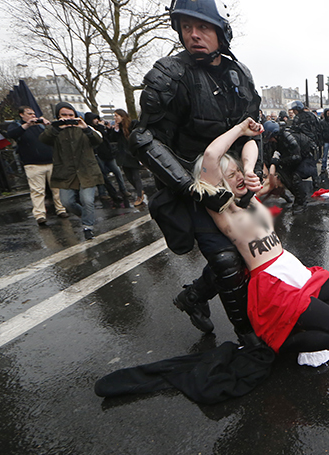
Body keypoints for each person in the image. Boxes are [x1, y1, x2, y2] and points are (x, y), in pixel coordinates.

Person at [129, 0, 262, 340]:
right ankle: (248, 339)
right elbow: (144, 138)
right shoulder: (169, 74)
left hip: (232, 184)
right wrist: (189, 186)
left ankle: (193, 297)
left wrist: (251, 170)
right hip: (189, 185)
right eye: (186, 27)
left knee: (247, 254)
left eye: (202, 27)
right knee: (226, 262)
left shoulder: (240, 74)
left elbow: (251, 129)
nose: (194, 35)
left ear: (220, 31)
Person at [192, 117, 329, 354]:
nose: (238, 178)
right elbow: (211, 156)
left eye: (237, 172)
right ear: (218, 183)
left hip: (291, 268)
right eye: (231, 175)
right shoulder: (225, 209)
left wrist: (246, 169)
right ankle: (279, 347)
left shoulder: (249, 195)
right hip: (272, 283)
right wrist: (239, 129)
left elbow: (252, 145)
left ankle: (295, 327)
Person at [40, 102, 104, 240]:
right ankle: (86, 215)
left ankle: (88, 227)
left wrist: (86, 128)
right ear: (58, 116)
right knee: (66, 202)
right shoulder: (55, 130)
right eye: (64, 115)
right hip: (66, 173)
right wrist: (57, 127)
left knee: (87, 200)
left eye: (71, 115)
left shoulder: (84, 128)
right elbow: (44, 139)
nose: (68, 118)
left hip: (87, 170)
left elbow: (98, 140)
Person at [6, 106, 68, 224]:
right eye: (29, 114)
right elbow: (11, 134)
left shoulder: (40, 126)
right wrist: (27, 124)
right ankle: (40, 215)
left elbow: (54, 136)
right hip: (33, 164)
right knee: (37, 191)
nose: (33, 116)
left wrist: (47, 125)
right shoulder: (17, 125)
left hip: (50, 161)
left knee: (57, 189)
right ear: (21, 115)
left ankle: (61, 209)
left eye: (34, 114)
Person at [261, 120, 316, 213]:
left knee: (295, 176)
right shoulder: (275, 140)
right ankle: (296, 197)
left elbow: (297, 157)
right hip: (296, 156)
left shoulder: (288, 137)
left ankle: (302, 202)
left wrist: (280, 161)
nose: (270, 140)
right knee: (284, 175)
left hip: (307, 156)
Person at [84, 112, 131, 208]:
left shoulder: (101, 128)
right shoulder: (89, 129)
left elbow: (108, 138)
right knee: (102, 175)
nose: (97, 121)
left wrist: (109, 130)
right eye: (95, 119)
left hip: (108, 154)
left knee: (117, 171)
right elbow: (98, 137)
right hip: (99, 155)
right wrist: (101, 127)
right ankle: (103, 193)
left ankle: (123, 189)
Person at [110, 109, 145, 207]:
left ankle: (139, 196)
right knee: (129, 177)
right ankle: (140, 191)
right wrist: (116, 129)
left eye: (117, 115)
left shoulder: (131, 124)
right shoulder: (117, 128)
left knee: (136, 176)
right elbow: (112, 139)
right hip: (123, 156)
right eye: (114, 116)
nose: (115, 118)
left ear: (122, 116)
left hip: (132, 154)